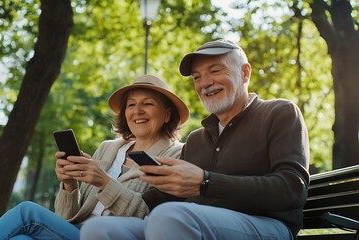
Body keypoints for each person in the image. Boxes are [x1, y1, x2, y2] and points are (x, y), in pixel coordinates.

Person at [80, 39, 310, 240]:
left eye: (215, 71)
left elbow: (292, 188)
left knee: (169, 217)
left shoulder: (279, 112)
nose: (205, 82)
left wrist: (206, 181)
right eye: (197, 77)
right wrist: (148, 182)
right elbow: (161, 199)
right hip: (192, 223)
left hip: (266, 225)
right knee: (100, 228)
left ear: (245, 72)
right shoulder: (198, 138)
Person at [0, 74, 189, 240]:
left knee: (27, 211)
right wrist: (69, 184)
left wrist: (104, 181)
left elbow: (148, 216)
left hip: (107, 235)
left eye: (148, 104)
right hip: (74, 230)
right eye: (131, 105)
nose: (137, 111)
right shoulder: (108, 148)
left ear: (168, 114)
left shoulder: (176, 154)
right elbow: (65, 217)